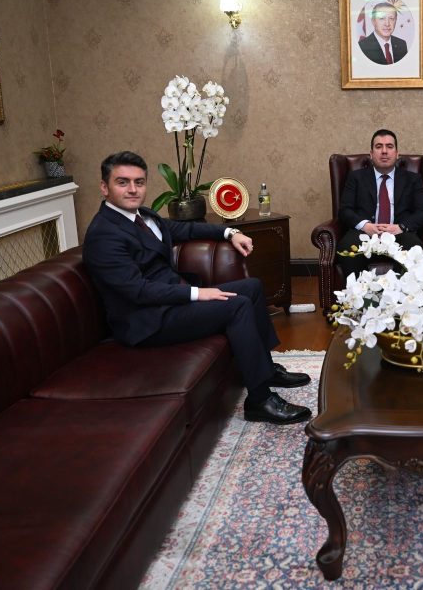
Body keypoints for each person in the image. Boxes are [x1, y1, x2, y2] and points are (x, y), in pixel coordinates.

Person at [82, 151, 312, 425]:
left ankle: (266, 369)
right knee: (236, 306)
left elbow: (185, 230)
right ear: (104, 187)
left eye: (139, 182)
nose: (133, 189)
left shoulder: (142, 215)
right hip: (147, 320)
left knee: (251, 287)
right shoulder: (104, 234)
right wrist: (197, 294)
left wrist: (230, 232)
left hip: (170, 302)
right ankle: (260, 401)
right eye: (123, 182)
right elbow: (137, 291)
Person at [336, 129, 423, 277]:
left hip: (399, 232)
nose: (384, 151)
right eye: (379, 146)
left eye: (389, 146)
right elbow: (345, 210)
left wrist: (400, 227)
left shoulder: (412, 179)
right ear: (371, 154)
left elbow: (422, 212)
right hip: (364, 233)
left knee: (414, 247)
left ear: (397, 154)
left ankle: (400, 291)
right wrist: (365, 226)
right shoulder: (356, 177)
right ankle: (359, 291)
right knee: (347, 246)